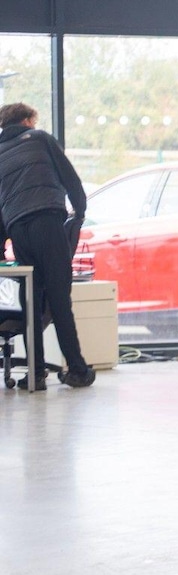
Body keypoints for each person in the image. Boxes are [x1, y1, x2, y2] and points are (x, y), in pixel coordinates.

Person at [0, 102, 94, 390]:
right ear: (28, 121)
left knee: (33, 299)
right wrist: (79, 212)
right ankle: (77, 370)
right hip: (47, 220)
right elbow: (69, 178)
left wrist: (4, 242)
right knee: (58, 297)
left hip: (18, 227)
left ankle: (36, 373)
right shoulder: (40, 138)